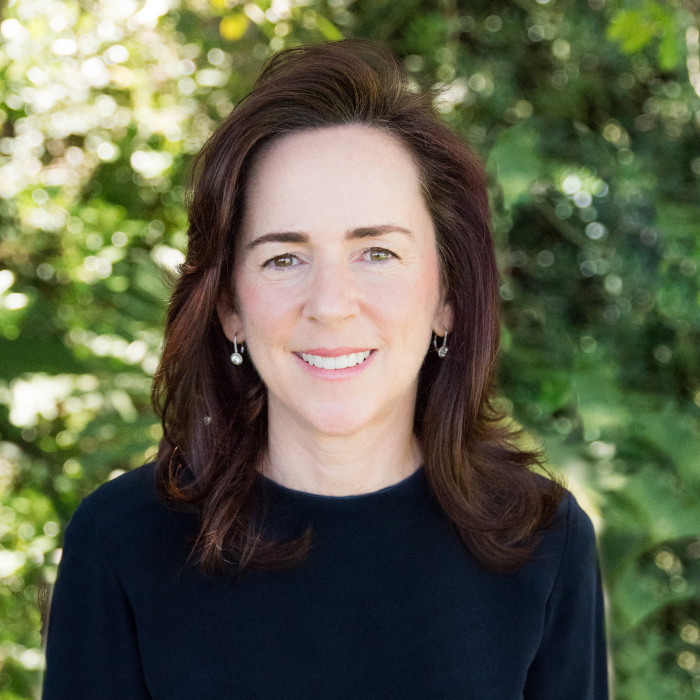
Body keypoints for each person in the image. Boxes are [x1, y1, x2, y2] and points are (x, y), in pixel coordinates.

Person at [42, 39, 609, 699]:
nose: (331, 305)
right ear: (228, 305)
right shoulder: (122, 544)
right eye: (284, 258)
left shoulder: (543, 540)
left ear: (448, 297)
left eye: (376, 253)